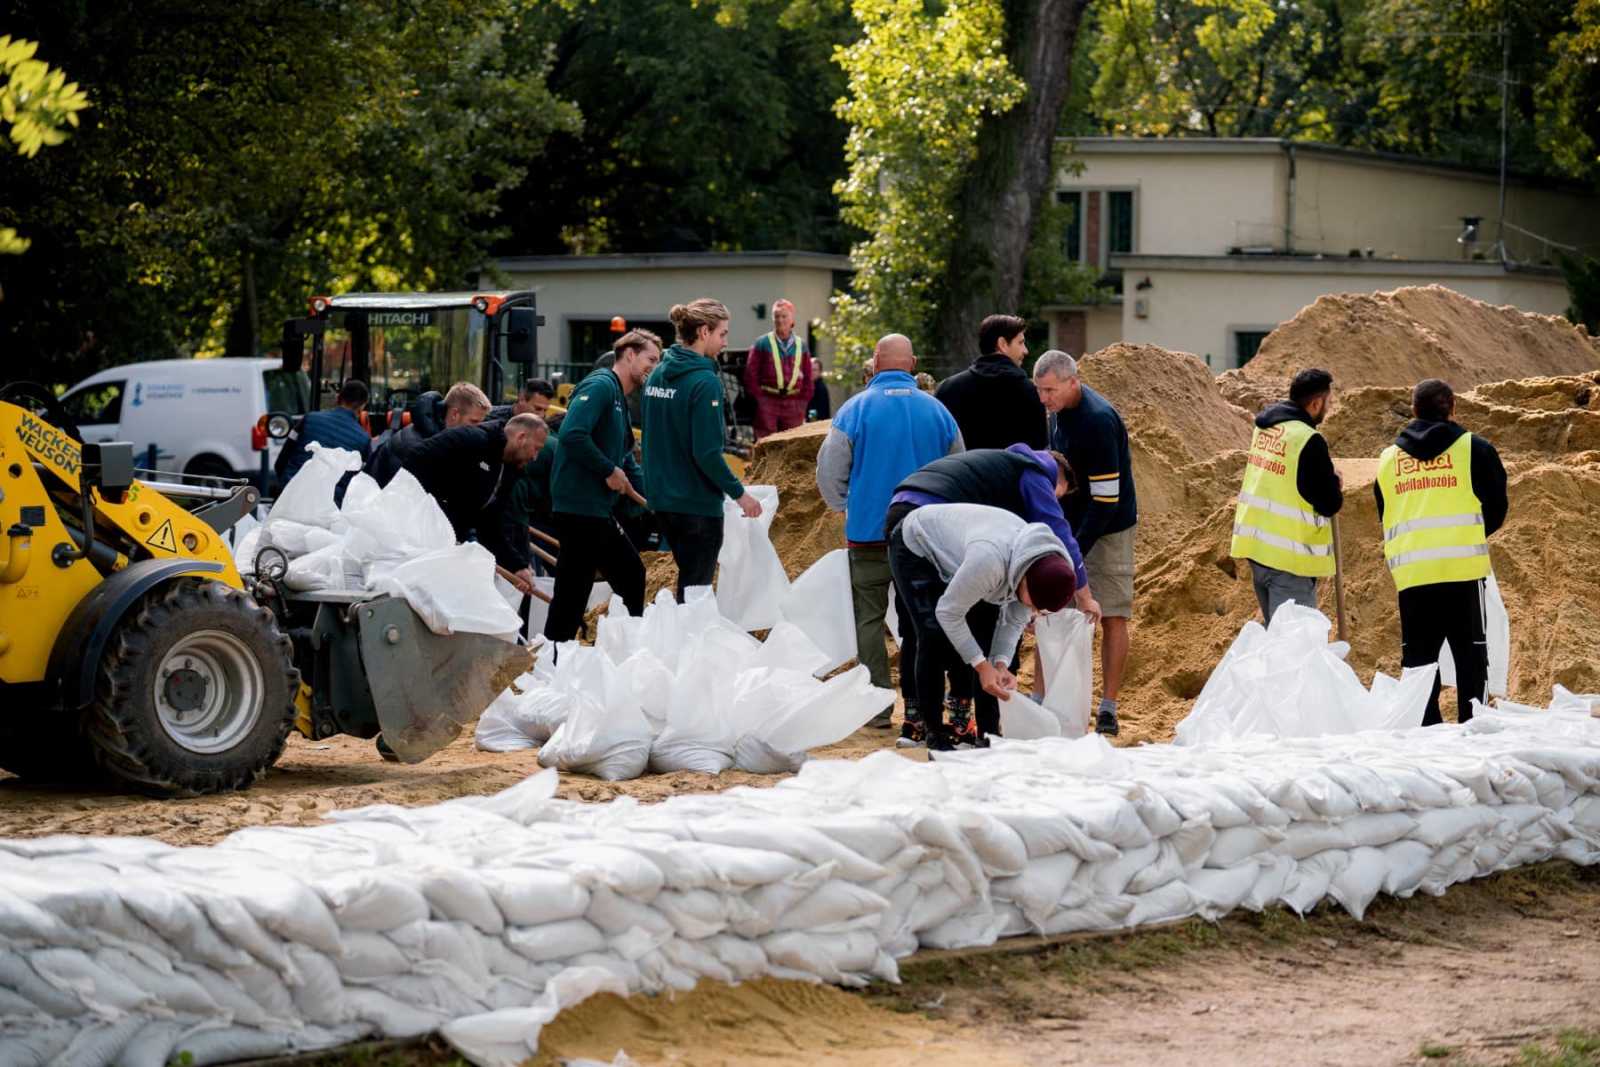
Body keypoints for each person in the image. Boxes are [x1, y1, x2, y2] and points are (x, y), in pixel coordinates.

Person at [884, 445, 1100, 745]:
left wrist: (998, 664)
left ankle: (979, 727)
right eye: (1033, 604)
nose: (1032, 613)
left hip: (957, 541)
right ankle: (933, 729)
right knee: (932, 634)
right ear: (1024, 580)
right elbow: (948, 612)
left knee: (977, 633)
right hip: (913, 541)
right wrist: (981, 665)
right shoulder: (991, 562)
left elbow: (1012, 621)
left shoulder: (1042, 564)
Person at [816, 333, 964, 729]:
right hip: (924, 534)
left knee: (868, 618)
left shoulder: (853, 411)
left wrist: (847, 505)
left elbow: (830, 471)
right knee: (921, 619)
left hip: (868, 532)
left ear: (876, 361)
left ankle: (878, 706)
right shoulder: (938, 412)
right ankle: (919, 704)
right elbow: (958, 469)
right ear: (912, 363)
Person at [1375, 378, 1508, 726]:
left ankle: (1426, 735)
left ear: (1414, 410)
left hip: (1413, 575)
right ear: (1452, 407)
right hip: (1462, 572)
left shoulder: (1389, 460)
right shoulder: (1474, 450)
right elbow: (1497, 507)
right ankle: (1472, 727)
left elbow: (1384, 512)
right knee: (1471, 659)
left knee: (1419, 664)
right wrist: (1466, 536)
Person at [1033, 349, 1137, 737]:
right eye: (1040, 391)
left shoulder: (1098, 421)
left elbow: (1106, 501)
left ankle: (1108, 706)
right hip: (1070, 521)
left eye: (1050, 390)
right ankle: (1040, 697)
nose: (1044, 399)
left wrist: (1073, 551)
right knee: (1052, 608)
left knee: (1111, 613)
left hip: (1109, 526)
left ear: (1073, 381)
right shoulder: (1057, 411)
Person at [543, 331, 662, 644]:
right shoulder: (600, 386)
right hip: (581, 508)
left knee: (581, 588)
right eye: (651, 359)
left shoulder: (619, 401)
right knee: (610, 581)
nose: (654, 367)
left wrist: (655, 502)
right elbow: (572, 434)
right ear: (629, 354)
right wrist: (607, 469)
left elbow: (627, 462)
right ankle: (620, 653)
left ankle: (562, 656)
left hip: (594, 509)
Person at [643, 298, 764, 599]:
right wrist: (740, 494)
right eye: (722, 333)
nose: (726, 341)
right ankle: (688, 645)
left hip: (662, 499)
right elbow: (707, 452)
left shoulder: (658, 374)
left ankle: (678, 641)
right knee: (695, 595)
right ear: (703, 332)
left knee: (687, 586)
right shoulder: (704, 382)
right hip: (695, 504)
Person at [1230, 368, 1344, 624]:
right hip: (1289, 559)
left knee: (1278, 642)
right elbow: (1328, 503)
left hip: (1258, 549)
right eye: (1329, 401)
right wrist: (1334, 483)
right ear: (1316, 403)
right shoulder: (1308, 440)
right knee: (1295, 648)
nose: (1330, 407)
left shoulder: (1267, 428)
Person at [401, 412, 548, 592]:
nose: (535, 457)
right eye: (536, 448)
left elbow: (490, 524)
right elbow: (414, 463)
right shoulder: (472, 440)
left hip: (449, 545)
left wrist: (517, 566)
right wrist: (437, 516)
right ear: (521, 438)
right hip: (419, 538)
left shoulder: (509, 471)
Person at [934, 314, 1048, 451]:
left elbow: (937, 445)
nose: (1026, 350)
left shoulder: (947, 389)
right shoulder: (1030, 392)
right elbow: (1039, 450)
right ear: (1002, 344)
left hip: (962, 471)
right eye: (1020, 342)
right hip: (1014, 471)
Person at [367, 382, 491, 487]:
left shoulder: (429, 431)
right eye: (474, 422)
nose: (478, 428)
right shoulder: (417, 448)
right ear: (455, 415)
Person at [276, 379, 372, 502]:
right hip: (329, 507)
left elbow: (282, 461)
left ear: (338, 398)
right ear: (362, 406)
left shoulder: (309, 419)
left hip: (289, 496)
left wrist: (285, 486)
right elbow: (365, 481)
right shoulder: (363, 439)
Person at [743, 298, 814, 439]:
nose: (780, 320)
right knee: (767, 444)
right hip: (768, 401)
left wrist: (802, 402)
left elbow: (808, 376)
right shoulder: (762, 343)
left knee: (793, 445)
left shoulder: (802, 345)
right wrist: (760, 400)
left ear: (792, 318)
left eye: (784, 316)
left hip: (794, 403)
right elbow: (750, 374)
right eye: (776, 316)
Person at [489, 379, 555, 422]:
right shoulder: (490, 418)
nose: (541, 415)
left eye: (545, 410)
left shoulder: (544, 425)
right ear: (521, 399)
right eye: (537, 409)